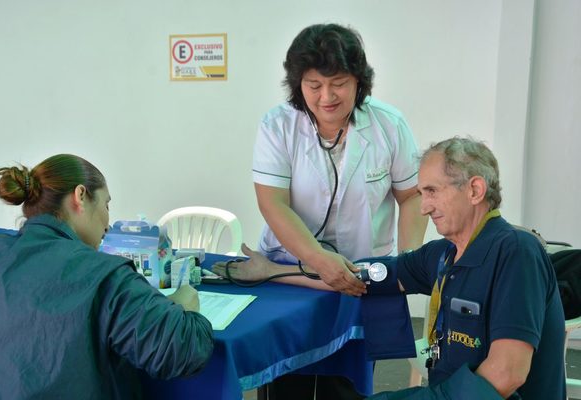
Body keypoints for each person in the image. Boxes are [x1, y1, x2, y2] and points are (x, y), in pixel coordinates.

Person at [223, 137, 566, 399]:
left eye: (432, 191)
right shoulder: (443, 255)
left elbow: (507, 375)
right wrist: (273, 271)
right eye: (421, 193)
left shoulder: (515, 252)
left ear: (475, 189)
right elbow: (351, 277)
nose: (423, 208)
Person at [252, 22, 428, 400]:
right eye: (314, 85)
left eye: (339, 83)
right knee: (288, 377)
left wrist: (409, 258)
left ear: (359, 82)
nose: (327, 96)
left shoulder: (388, 125)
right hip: (290, 265)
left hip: (364, 275)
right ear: (298, 85)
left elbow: (411, 196)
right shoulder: (277, 125)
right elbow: (273, 202)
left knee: (348, 383)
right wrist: (318, 259)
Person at [0, 154, 214, 399]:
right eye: (106, 204)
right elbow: (183, 349)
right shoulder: (104, 275)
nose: (107, 222)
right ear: (80, 196)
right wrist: (184, 304)